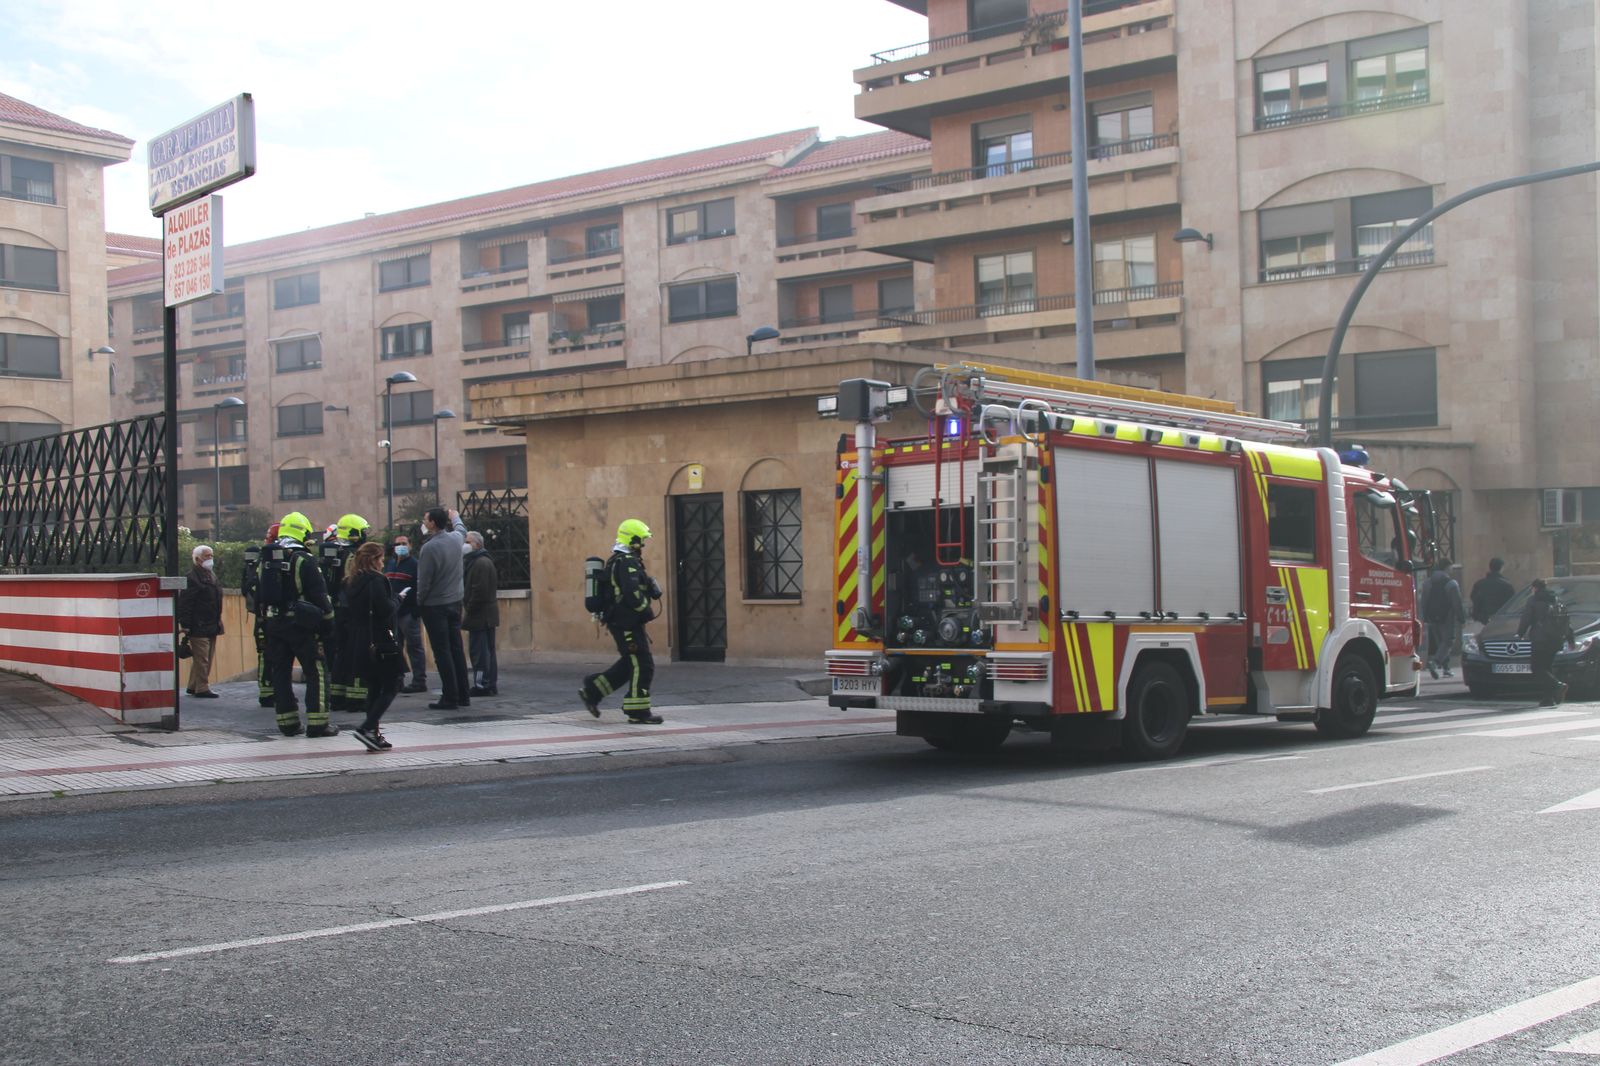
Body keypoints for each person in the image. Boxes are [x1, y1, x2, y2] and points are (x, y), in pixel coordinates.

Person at [261, 511, 339, 738]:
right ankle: (318, 723)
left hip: (274, 624)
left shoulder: (267, 559)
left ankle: (288, 724)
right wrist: (328, 625)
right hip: (301, 627)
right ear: (302, 533)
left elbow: (259, 596)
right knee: (316, 672)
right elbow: (320, 596)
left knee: (280, 673)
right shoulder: (304, 560)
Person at [579, 518, 664, 724]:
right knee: (643, 664)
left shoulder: (620, 560)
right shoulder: (627, 562)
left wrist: (650, 588)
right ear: (633, 540)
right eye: (641, 540)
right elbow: (631, 592)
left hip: (622, 621)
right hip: (626, 623)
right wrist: (646, 610)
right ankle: (638, 711)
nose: (643, 545)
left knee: (630, 664)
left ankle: (593, 690)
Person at [340, 541, 402, 751]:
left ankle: (374, 735)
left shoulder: (351, 581)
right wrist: (397, 600)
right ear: (374, 560)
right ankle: (367, 728)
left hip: (360, 640)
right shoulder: (376, 581)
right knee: (394, 683)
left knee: (374, 687)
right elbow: (385, 609)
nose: (384, 563)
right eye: (382, 559)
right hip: (380, 640)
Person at [416, 506, 471, 710]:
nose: (423, 522)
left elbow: (424, 582)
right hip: (455, 602)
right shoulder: (456, 539)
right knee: (456, 648)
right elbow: (461, 528)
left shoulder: (429, 548)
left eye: (425, 519)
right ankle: (463, 694)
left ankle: (450, 696)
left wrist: (419, 601)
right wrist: (455, 515)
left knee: (442, 651)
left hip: (435, 605)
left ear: (431, 523)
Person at [322, 513, 370, 713]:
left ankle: (338, 696)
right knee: (357, 655)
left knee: (340, 654)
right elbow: (359, 583)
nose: (366, 535)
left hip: (337, 611)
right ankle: (356, 698)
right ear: (354, 533)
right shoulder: (355, 556)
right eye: (363, 531)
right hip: (353, 612)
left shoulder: (333, 554)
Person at [177, 544, 224, 699]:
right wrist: (186, 625)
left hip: (211, 623)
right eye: (206, 556)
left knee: (206, 657)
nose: (210, 559)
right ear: (197, 559)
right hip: (198, 625)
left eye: (211, 555)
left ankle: (193, 685)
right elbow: (185, 603)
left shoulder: (211, 575)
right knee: (202, 658)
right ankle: (202, 687)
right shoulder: (192, 578)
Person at [1518, 578, 1575, 707]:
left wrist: (1520, 633)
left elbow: (1526, 618)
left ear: (1534, 588)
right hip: (1555, 640)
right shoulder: (1557, 599)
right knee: (1547, 668)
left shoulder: (1533, 600)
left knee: (1537, 668)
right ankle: (1548, 699)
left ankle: (1558, 686)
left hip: (1540, 640)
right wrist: (1571, 640)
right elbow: (1566, 621)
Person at [241, 522, 279, 707]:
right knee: (268, 655)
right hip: (268, 618)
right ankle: (268, 692)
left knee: (265, 655)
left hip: (261, 618)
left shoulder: (259, 561)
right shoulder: (269, 562)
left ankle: (268, 690)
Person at [385, 534, 428, 694]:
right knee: (395, 648)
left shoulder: (415, 565)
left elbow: (420, 588)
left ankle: (419, 681)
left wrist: (416, 611)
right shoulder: (390, 564)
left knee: (414, 647)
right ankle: (398, 680)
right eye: (398, 544)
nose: (400, 546)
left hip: (409, 613)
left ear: (410, 545)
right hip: (393, 613)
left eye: (403, 543)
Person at [462, 531, 499, 697]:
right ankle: (489, 683)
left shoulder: (480, 563)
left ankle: (482, 684)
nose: (465, 544)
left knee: (480, 653)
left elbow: (479, 591)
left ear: (477, 544)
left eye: (468, 541)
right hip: (485, 615)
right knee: (486, 652)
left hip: (480, 616)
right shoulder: (479, 561)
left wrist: (469, 608)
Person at [1420, 561, 1464, 679]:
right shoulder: (1451, 584)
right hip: (1447, 617)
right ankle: (1435, 663)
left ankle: (1446, 668)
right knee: (1448, 641)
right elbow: (1457, 602)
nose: (1452, 570)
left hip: (1432, 617)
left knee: (1441, 643)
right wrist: (1461, 617)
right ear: (1446, 568)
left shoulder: (1427, 583)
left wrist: (1424, 617)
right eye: (1450, 568)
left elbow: (1423, 601)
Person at [1470, 557, 1516, 624]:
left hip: (1482, 619)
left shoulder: (1479, 584)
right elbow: (1512, 602)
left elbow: (1473, 597)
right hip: (1500, 619)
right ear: (1502, 567)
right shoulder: (1506, 585)